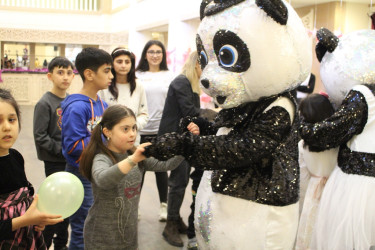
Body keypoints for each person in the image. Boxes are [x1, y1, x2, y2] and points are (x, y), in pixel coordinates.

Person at [79, 104, 184, 250]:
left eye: (134, 128)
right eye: (125, 129)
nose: (132, 134)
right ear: (107, 132)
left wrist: (186, 144)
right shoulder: (102, 158)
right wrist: (133, 160)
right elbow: (103, 180)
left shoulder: (133, 154)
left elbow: (166, 165)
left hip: (129, 237)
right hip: (101, 239)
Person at [61, 47, 113, 250]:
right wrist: (106, 137)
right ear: (89, 74)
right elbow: (73, 146)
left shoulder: (103, 104)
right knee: (82, 227)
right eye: (106, 70)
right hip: (81, 173)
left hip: (98, 173)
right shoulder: (76, 106)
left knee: (94, 224)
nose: (111, 76)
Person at [0, 88, 63, 248]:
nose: (7, 127)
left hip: (25, 238)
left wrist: (36, 221)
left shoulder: (16, 157)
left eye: (12, 119)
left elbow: (24, 198)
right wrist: (25, 220)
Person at [157, 51, 201, 247]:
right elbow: (191, 113)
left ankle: (174, 218)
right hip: (174, 140)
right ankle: (170, 224)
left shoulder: (190, 84)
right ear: (197, 65)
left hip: (183, 140)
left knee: (181, 181)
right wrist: (214, 114)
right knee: (178, 181)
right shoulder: (181, 82)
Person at [32, 56, 74, 250]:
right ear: (49, 76)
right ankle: (45, 242)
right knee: (54, 204)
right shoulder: (45, 103)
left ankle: (61, 243)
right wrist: (63, 151)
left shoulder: (72, 101)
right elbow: (40, 136)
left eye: (69, 72)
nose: (65, 77)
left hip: (70, 160)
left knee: (67, 203)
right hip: (54, 161)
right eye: (60, 72)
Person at [136, 40, 175, 221]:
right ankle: (134, 206)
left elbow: (173, 103)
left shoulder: (170, 75)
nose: (155, 55)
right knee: (138, 168)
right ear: (145, 54)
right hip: (140, 128)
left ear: (163, 55)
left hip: (161, 129)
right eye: (151, 52)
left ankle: (164, 207)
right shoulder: (137, 76)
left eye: (158, 52)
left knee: (161, 169)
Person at [295, 93, 338, 249]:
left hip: (312, 189)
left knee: (310, 228)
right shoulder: (340, 143)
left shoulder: (302, 145)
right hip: (337, 188)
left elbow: (302, 176)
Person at [99, 47, 148, 145]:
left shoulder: (138, 85)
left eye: (127, 62)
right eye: (119, 62)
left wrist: (131, 127)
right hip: (110, 141)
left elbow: (144, 114)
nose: (123, 65)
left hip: (133, 141)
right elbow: (100, 115)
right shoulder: (104, 85)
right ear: (112, 63)